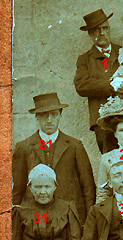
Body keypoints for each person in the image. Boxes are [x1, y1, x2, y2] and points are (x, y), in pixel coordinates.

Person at [12, 93, 95, 223]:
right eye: (44, 115)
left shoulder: (74, 146)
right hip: (35, 218)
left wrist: (89, 221)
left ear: (60, 116)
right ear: (37, 117)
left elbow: (88, 187)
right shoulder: (24, 147)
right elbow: (17, 189)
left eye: (54, 115)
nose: (49, 120)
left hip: (70, 216)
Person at [73, 8, 122, 153]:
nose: (102, 33)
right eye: (97, 30)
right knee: (109, 158)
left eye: (105, 28)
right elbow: (81, 85)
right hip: (102, 119)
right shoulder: (85, 59)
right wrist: (110, 86)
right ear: (90, 33)